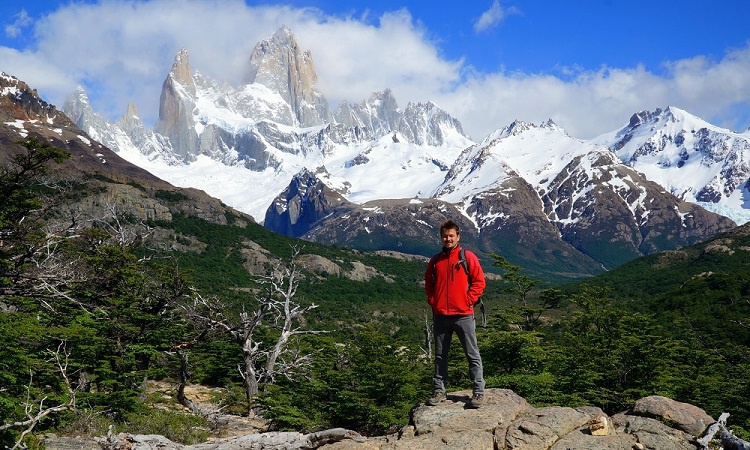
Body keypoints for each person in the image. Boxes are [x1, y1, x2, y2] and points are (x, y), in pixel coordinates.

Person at [424, 219, 487, 408]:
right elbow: (429, 284)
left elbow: (479, 282)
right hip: (442, 315)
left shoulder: (467, 257)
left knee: (472, 354)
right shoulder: (436, 260)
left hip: (463, 315)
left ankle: (478, 392)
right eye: (445, 236)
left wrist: (468, 300)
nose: (448, 239)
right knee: (440, 355)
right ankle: (438, 390)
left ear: (458, 236)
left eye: (451, 235)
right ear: (441, 237)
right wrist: (433, 301)